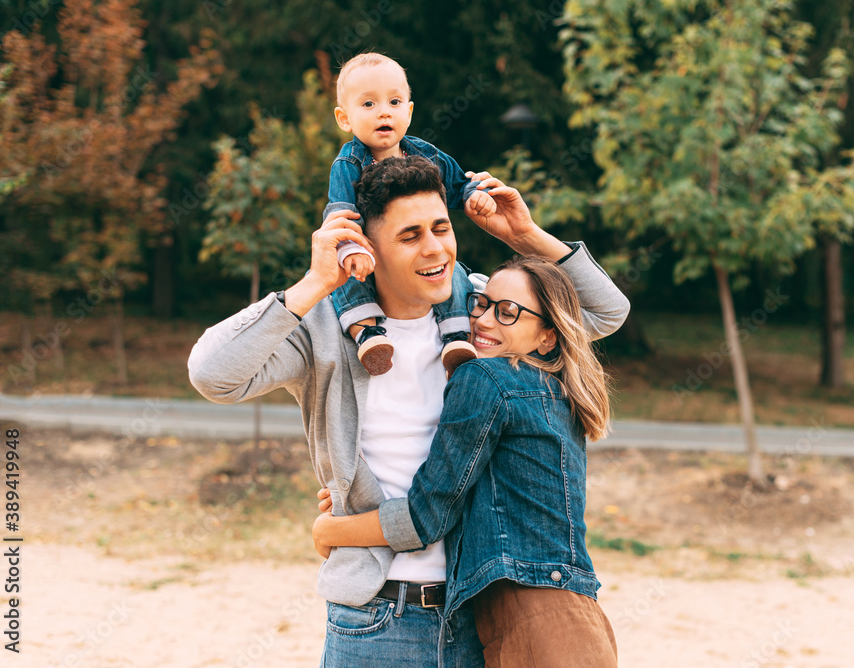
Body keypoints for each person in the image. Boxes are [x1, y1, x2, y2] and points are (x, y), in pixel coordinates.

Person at [187, 155, 630, 667]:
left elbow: (603, 312)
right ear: (367, 250)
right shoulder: (324, 329)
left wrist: (525, 235)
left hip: (479, 617)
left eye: (441, 227)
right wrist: (313, 284)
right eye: (410, 236)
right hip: (376, 617)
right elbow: (212, 373)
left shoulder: (481, 310)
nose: (435, 248)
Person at [312, 255, 619, 667]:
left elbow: (428, 516)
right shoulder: (554, 393)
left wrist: (333, 531)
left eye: (508, 312)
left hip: (532, 624)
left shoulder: (486, 378)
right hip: (579, 617)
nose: (484, 320)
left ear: (548, 337)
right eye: (480, 303)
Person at [327, 51, 494, 377]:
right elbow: (340, 213)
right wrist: (351, 249)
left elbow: (459, 183)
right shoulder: (349, 163)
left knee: (453, 270)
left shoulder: (423, 152)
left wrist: (476, 196)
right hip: (367, 252)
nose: (383, 113)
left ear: (409, 110)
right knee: (346, 278)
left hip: (409, 264)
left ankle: (456, 335)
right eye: (368, 105)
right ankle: (367, 332)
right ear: (344, 118)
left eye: (394, 102)